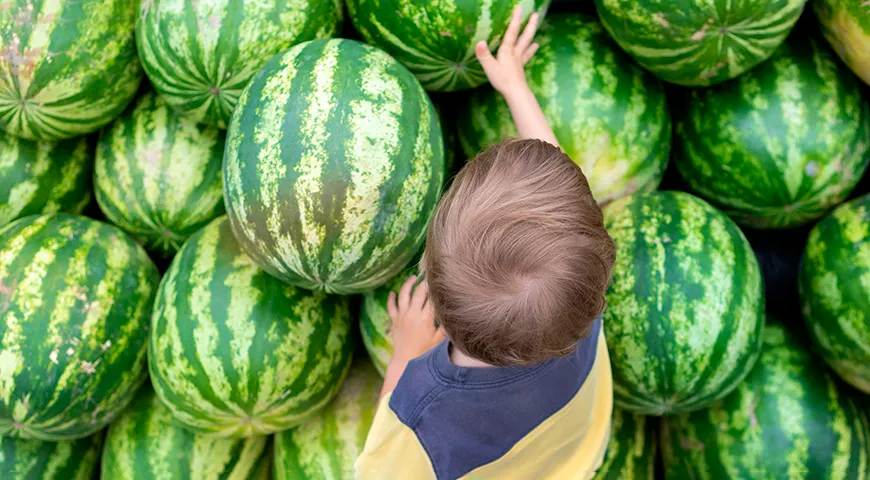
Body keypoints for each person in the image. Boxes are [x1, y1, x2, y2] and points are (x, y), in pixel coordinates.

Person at [355, 7, 616, 479]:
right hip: (576, 450)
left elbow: (379, 467)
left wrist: (406, 353)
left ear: (431, 285)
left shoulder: (422, 413)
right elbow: (569, 205)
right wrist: (515, 86)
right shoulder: (577, 295)